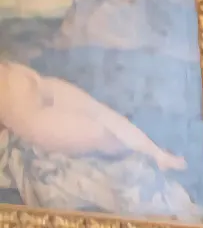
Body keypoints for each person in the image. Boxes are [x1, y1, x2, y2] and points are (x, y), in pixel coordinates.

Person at [0, 58, 185, 170]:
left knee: (99, 111)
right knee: (100, 133)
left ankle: (158, 155)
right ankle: (142, 156)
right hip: (31, 117)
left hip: (37, 84)